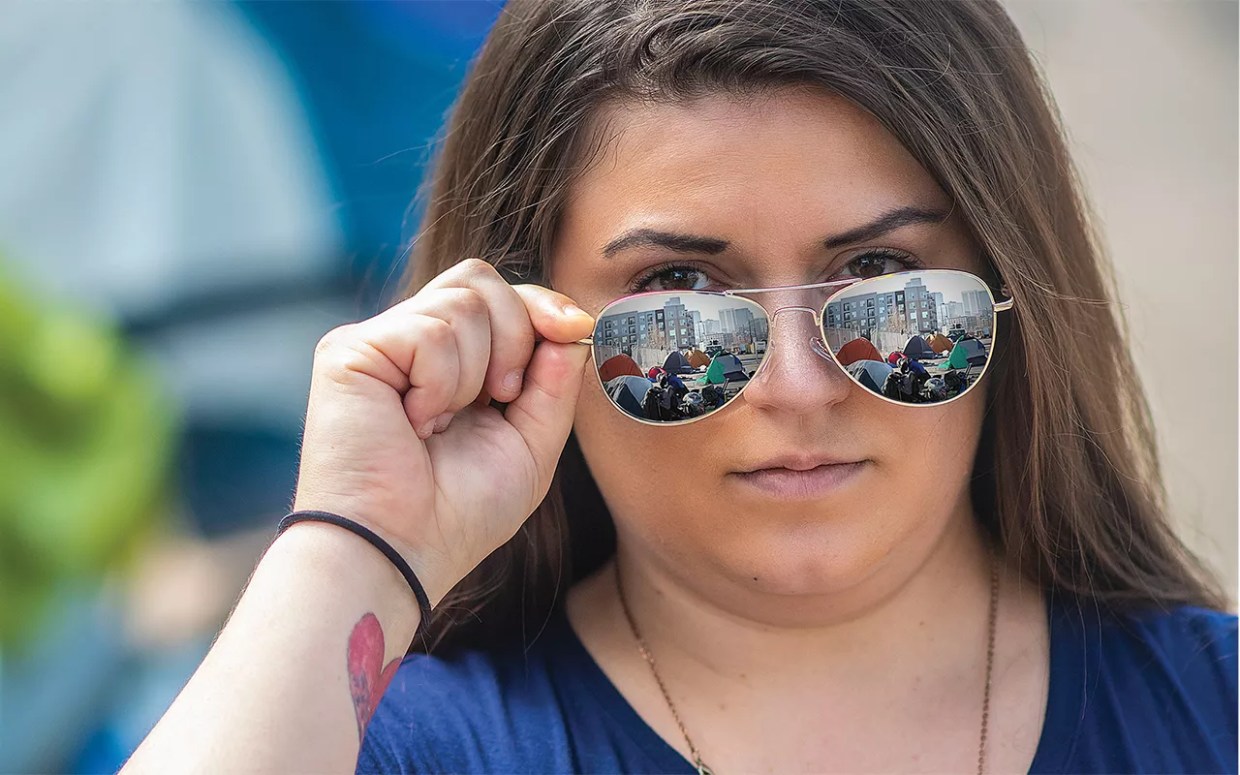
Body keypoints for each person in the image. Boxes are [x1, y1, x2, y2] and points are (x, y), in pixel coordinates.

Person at [121, 2, 1237, 774]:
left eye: (881, 278)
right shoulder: (409, 746)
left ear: (1010, 293)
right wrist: (353, 541)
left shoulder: (1214, 709)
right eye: (680, 290)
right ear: (527, 329)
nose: (799, 386)